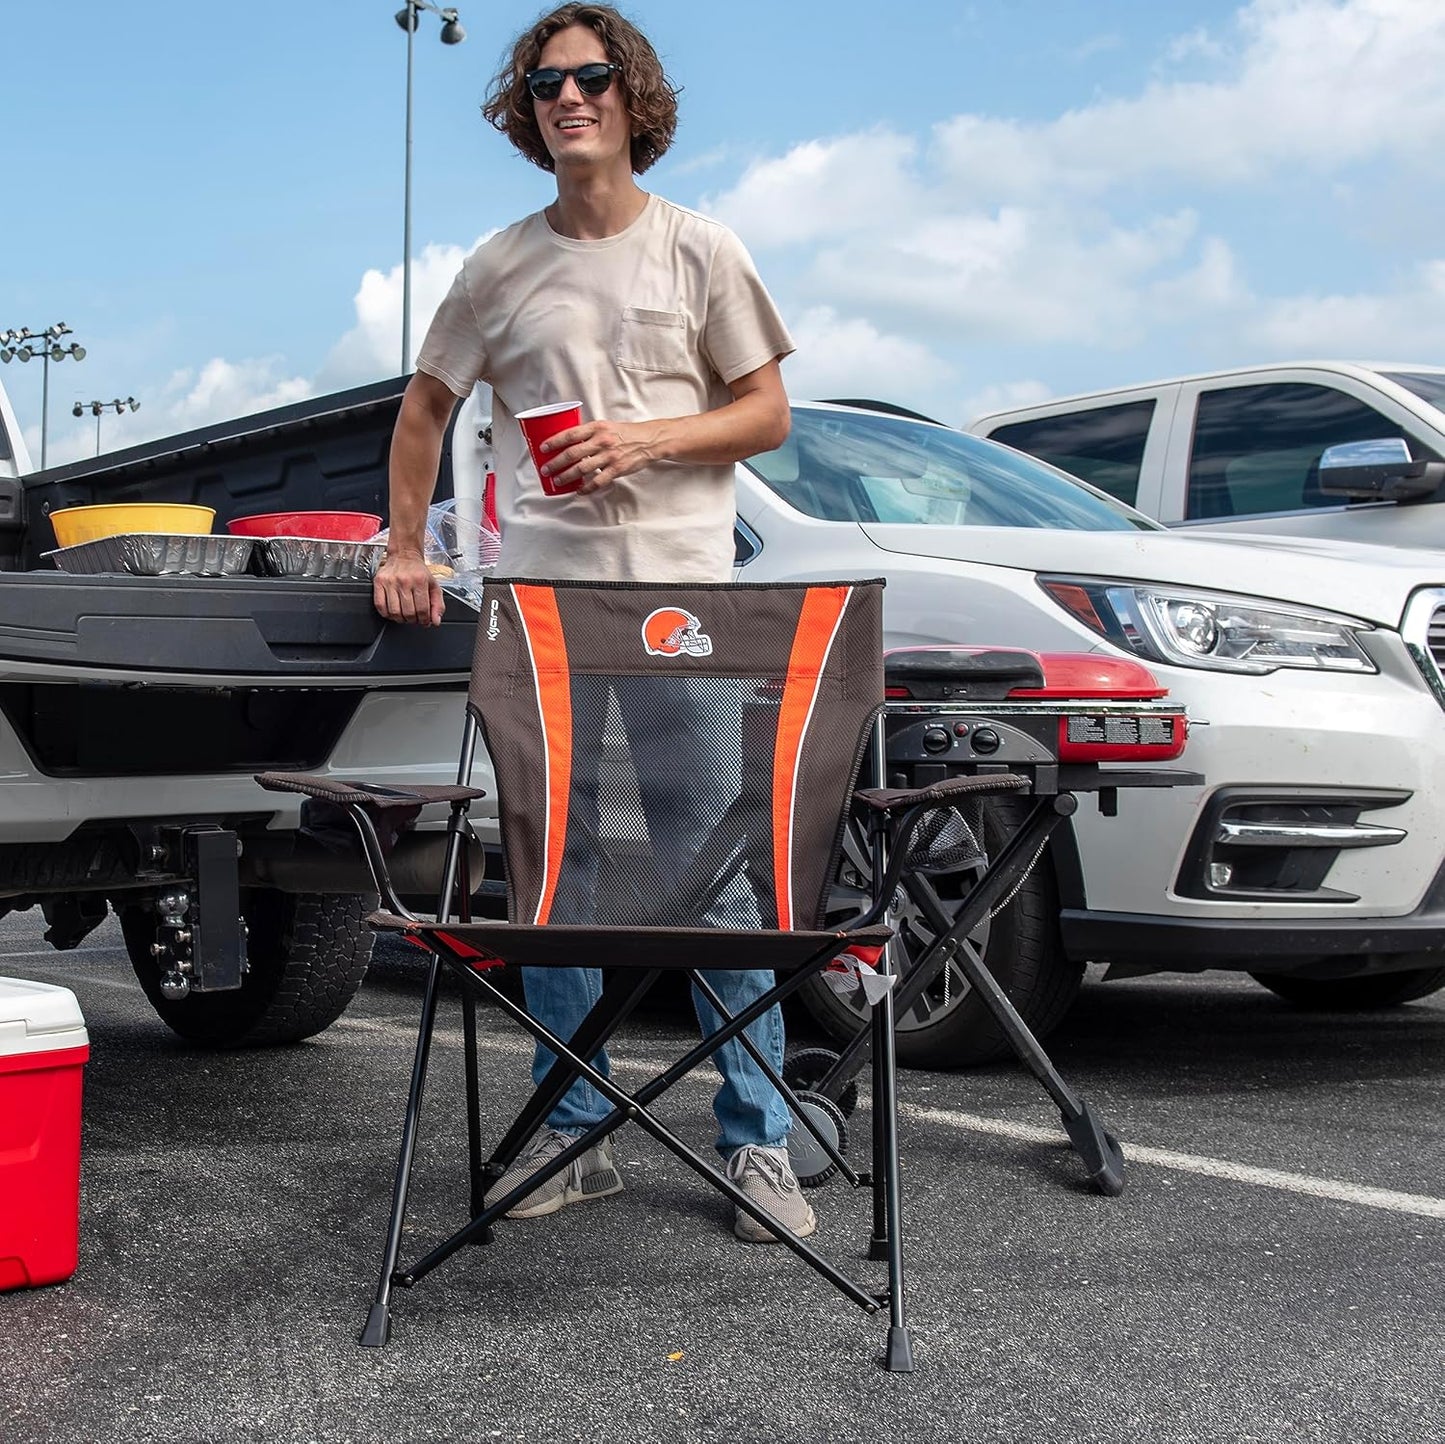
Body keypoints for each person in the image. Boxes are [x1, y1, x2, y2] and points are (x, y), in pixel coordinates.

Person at [372, 3, 811, 1243]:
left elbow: (766, 412)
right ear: (528, 110)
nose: (569, 95)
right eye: (548, 81)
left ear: (633, 99)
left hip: (685, 610)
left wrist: (651, 435)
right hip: (542, 612)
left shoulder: (699, 249)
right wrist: (406, 547)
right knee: (554, 875)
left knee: (717, 878)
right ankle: (569, 1130)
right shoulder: (498, 266)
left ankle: (758, 1142)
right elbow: (423, 411)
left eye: (592, 76)